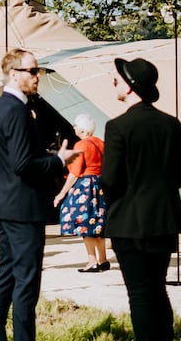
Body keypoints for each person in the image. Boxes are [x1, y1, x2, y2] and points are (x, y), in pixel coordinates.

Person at [0, 48, 78, 341]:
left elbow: (4, 159)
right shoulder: (16, 110)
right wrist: (58, 161)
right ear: (15, 74)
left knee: (6, 275)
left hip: (7, 204)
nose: (38, 76)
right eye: (33, 71)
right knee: (26, 282)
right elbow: (23, 164)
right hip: (24, 208)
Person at [103, 58, 181, 341]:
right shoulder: (171, 124)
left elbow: (109, 180)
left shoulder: (118, 127)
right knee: (158, 288)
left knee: (140, 294)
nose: (114, 83)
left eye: (117, 80)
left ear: (130, 87)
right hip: (164, 219)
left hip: (129, 223)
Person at [53, 113, 109, 273]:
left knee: (84, 222)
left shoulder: (81, 145)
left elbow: (74, 173)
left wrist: (61, 193)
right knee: (98, 222)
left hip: (86, 185)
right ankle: (103, 259)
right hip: (100, 184)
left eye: (76, 125)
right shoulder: (102, 143)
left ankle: (92, 261)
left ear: (83, 130)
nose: (74, 128)